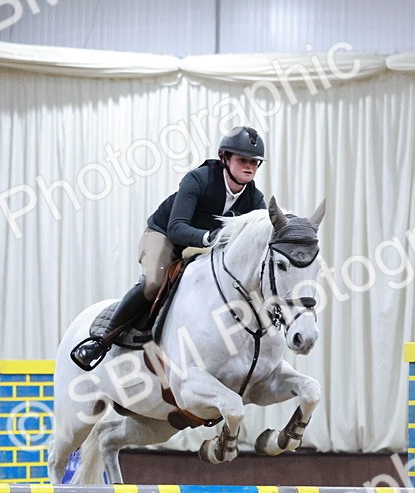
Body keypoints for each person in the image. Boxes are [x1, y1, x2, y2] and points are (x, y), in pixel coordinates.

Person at [70, 125, 268, 371]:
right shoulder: (199, 179)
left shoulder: (255, 200)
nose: (249, 166)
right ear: (224, 157)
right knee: (153, 282)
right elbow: (176, 227)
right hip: (165, 235)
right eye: (242, 159)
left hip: (204, 248)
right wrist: (210, 237)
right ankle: (102, 341)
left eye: (255, 162)